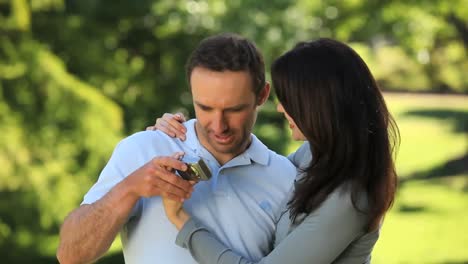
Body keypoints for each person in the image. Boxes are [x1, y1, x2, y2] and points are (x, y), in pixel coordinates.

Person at [152, 38, 400, 263]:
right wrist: (182, 135)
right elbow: (266, 176)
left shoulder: (349, 199)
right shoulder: (315, 156)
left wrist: (181, 220)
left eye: (290, 101)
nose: (281, 108)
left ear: (319, 106)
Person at [56, 33, 296, 264]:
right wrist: (130, 188)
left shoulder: (287, 179)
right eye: (205, 107)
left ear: (263, 95)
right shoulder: (143, 149)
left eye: (234, 110)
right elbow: (70, 255)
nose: (219, 125)